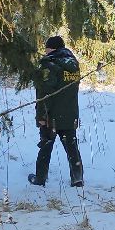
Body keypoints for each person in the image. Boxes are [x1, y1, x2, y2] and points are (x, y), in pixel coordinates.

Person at [28, 35, 84, 188]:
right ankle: (77, 178)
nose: (45, 51)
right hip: (70, 114)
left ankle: (40, 178)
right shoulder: (73, 65)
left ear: (51, 48)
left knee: (46, 146)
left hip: (50, 116)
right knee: (72, 148)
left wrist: (40, 116)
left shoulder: (49, 65)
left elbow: (43, 93)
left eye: (46, 47)